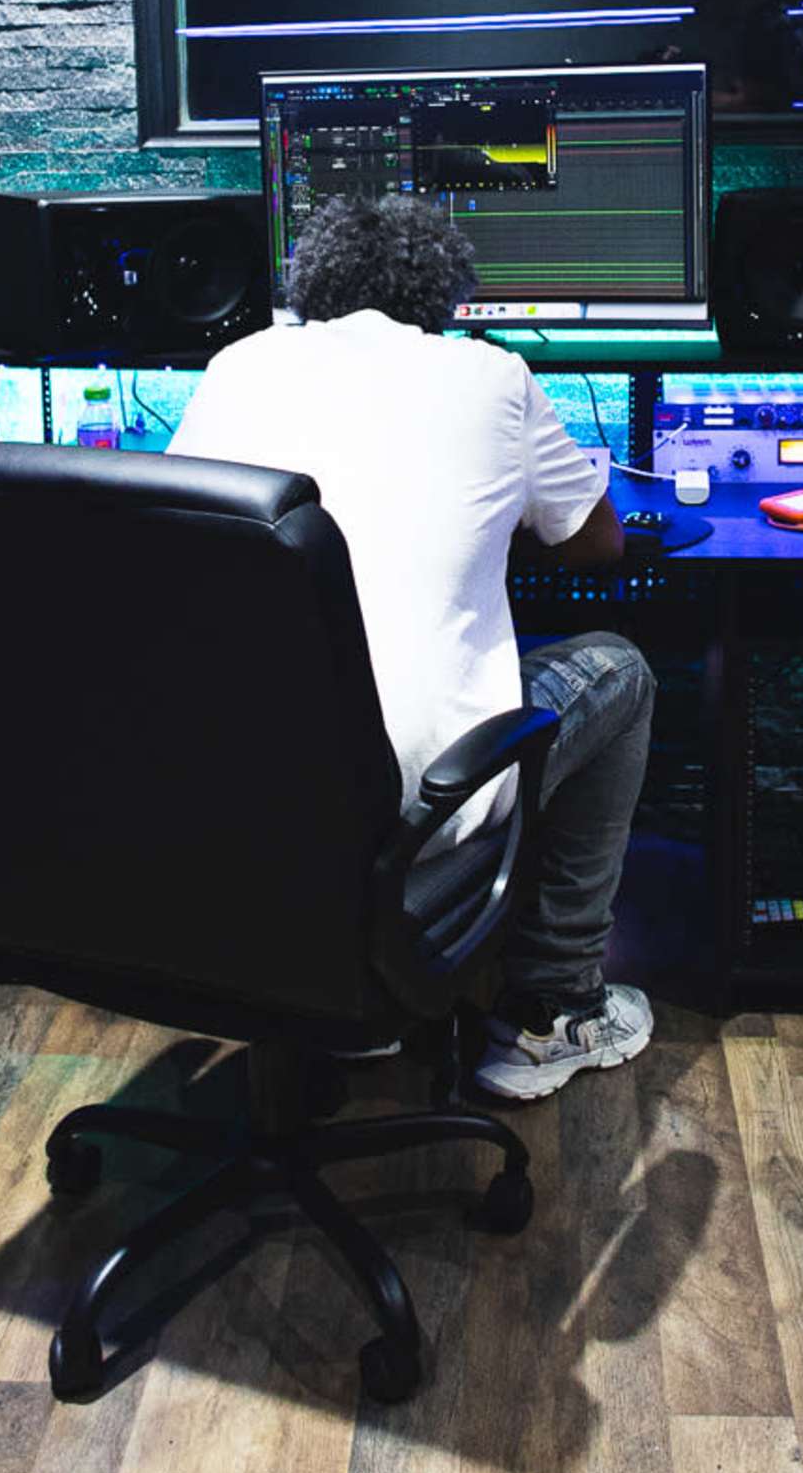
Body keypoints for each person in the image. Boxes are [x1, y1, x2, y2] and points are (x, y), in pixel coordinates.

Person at [167, 193, 658, 1100]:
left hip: (235, 814)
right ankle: (553, 1010)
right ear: (444, 297)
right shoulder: (492, 377)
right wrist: (489, 518)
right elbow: (600, 543)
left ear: (310, 287)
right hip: (413, 812)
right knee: (621, 670)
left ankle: (347, 998)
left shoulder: (235, 366)